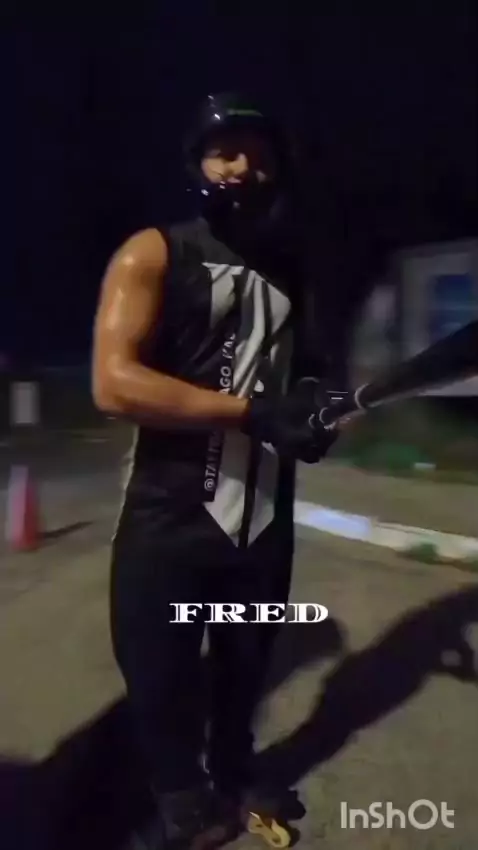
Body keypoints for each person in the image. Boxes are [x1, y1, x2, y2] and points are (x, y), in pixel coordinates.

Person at [92, 92, 342, 849]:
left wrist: (318, 415)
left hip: (262, 518)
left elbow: (311, 377)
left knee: (245, 661)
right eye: (224, 151)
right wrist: (249, 413)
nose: (241, 167)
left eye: (257, 155)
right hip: (169, 513)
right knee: (160, 669)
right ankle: (183, 799)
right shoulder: (153, 252)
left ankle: (235, 772)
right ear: (196, 163)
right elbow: (113, 383)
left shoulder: (292, 272)